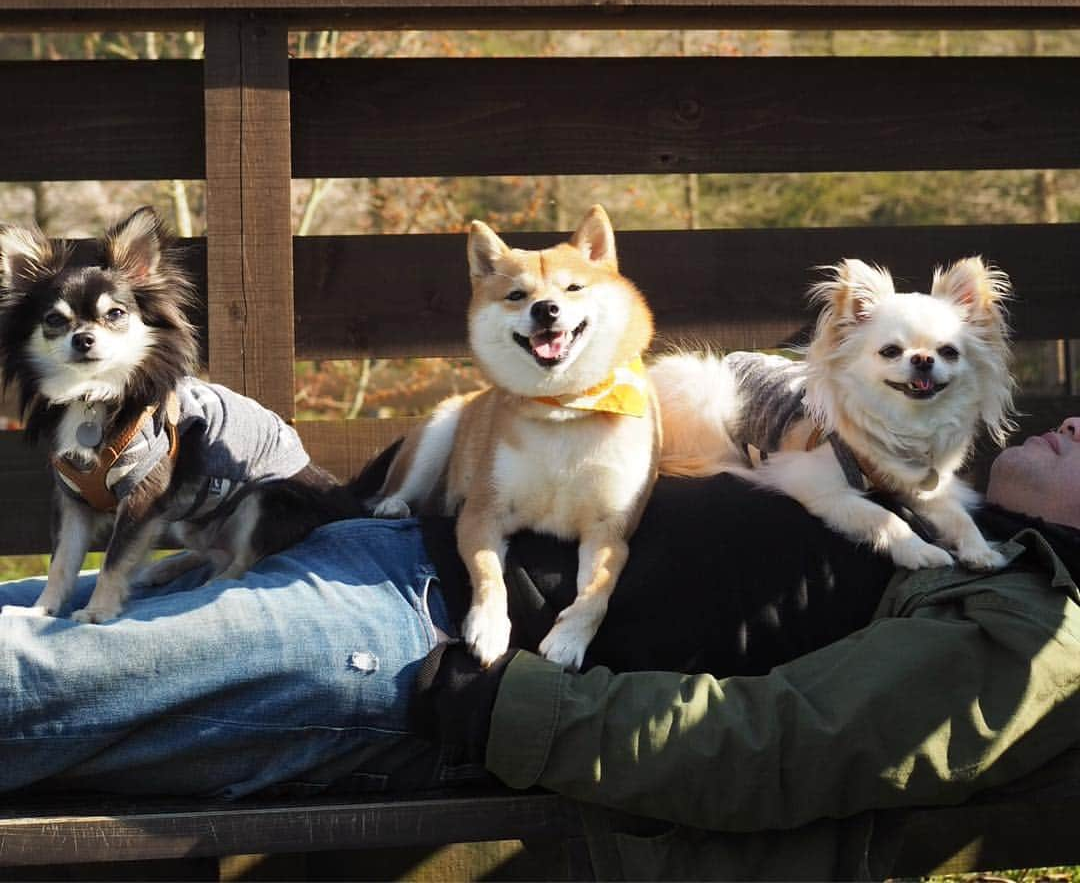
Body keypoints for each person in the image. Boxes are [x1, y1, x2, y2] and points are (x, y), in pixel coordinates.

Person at [0, 421, 1078, 879]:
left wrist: (494, 704)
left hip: (406, 648)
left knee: (21, 682)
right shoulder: (974, 524)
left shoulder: (1037, 629)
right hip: (395, 556)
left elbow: (779, 743)